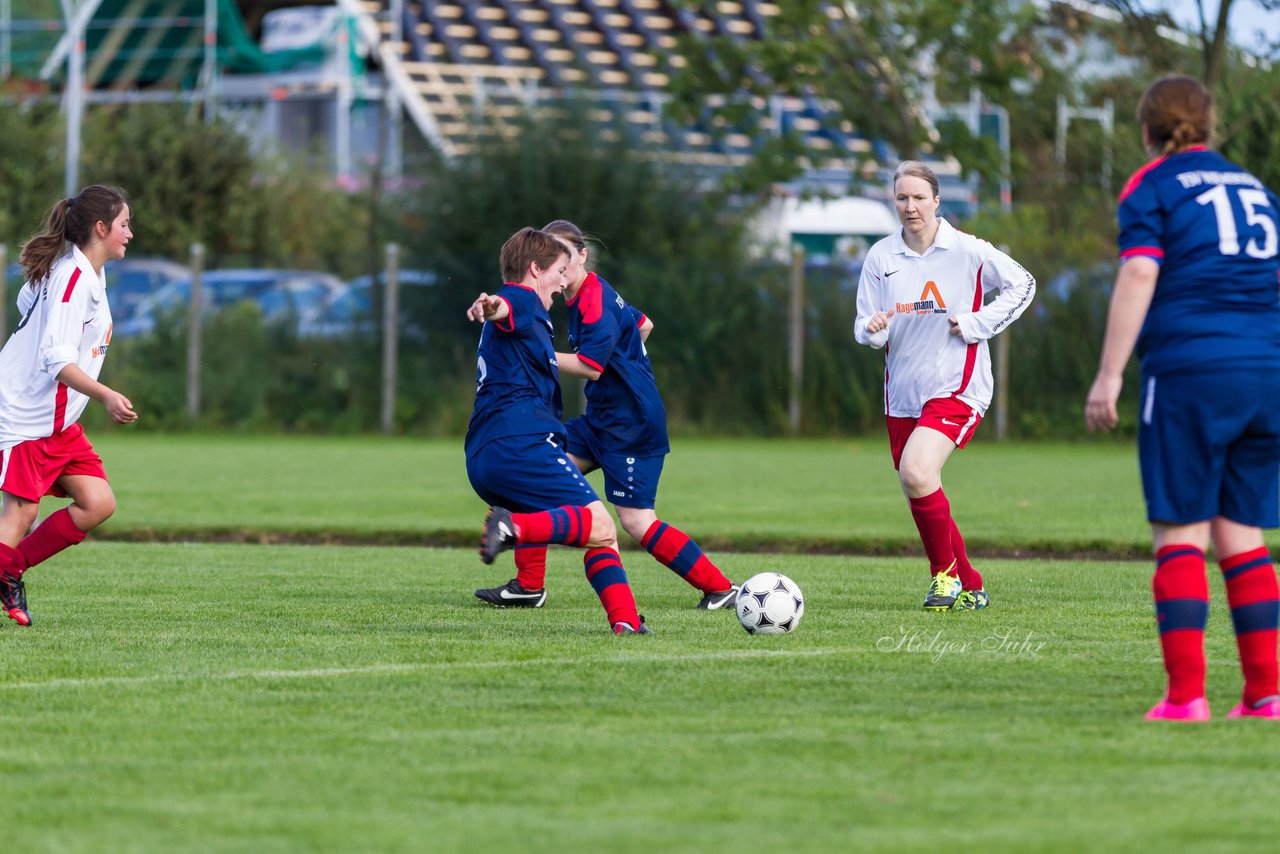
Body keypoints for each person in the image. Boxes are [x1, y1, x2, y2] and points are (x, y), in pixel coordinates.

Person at [1085, 76, 1280, 722]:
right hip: (1265, 371)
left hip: (1192, 370)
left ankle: (1185, 697)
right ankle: (1264, 695)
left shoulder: (1153, 186)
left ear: (1147, 131)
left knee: (1181, 531)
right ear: (1207, 126)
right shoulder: (1256, 189)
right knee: (1241, 532)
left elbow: (1141, 270)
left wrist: (1110, 376)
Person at [474, 219, 739, 611]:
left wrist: (540, 356)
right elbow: (644, 324)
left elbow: (592, 366)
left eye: (566, 261)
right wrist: (628, 355)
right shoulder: (584, 297)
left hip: (630, 426)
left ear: (582, 255)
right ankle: (529, 586)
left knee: (635, 521)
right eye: (555, 264)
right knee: (533, 482)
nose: (560, 272)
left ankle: (720, 587)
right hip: (600, 419)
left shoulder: (594, 298)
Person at [854, 161, 1036, 612]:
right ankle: (971, 584)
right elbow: (865, 326)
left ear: (937, 200)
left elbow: (1023, 284)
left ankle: (945, 577)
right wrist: (874, 327)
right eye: (902, 198)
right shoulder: (881, 257)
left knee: (916, 471)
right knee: (919, 481)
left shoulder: (968, 251)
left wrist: (977, 323)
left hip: (958, 385)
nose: (910, 206)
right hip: (903, 394)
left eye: (919, 197)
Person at [465, 226, 650, 635]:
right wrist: (488, 303)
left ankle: (625, 622)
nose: (563, 281)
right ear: (535, 269)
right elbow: (502, 305)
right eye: (559, 271)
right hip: (522, 444)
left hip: (485, 453)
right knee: (600, 525)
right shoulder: (524, 299)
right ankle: (512, 528)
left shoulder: (528, 312)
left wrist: (492, 306)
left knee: (600, 536)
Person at [0, 185, 138, 626]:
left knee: (97, 502)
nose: (129, 234)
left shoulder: (84, 274)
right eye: (124, 225)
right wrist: (106, 395)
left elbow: (27, 302)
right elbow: (56, 358)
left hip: (55, 423)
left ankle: (8, 569)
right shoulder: (72, 278)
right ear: (101, 228)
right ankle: (5, 571)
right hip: (22, 415)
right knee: (22, 510)